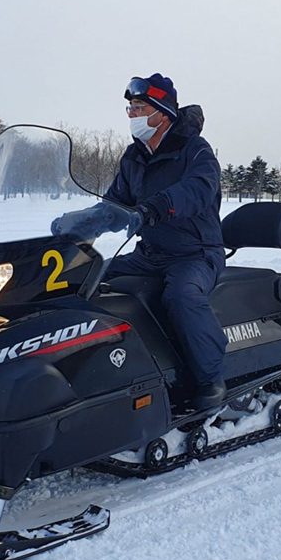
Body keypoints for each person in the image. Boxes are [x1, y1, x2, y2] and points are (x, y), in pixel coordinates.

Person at [103, 74, 228, 410]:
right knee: (88, 276)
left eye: (139, 108)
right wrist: (82, 222)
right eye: (130, 108)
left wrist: (157, 206)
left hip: (196, 253)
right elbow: (115, 202)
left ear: (162, 112)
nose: (132, 115)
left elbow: (198, 190)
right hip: (149, 253)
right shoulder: (134, 156)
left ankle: (211, 380)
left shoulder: (195, 150)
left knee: (182, 295)